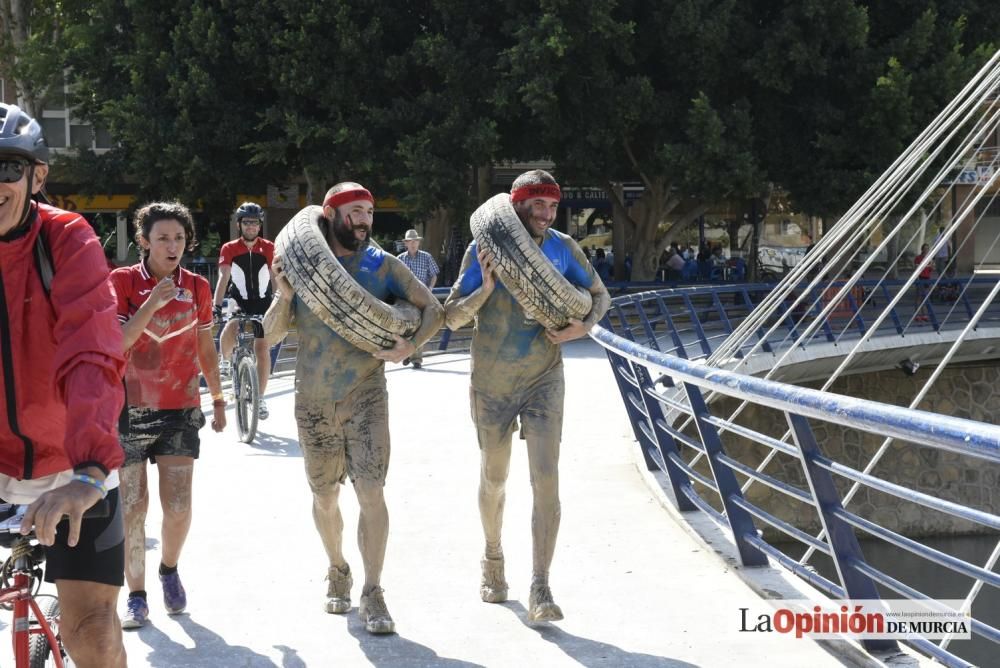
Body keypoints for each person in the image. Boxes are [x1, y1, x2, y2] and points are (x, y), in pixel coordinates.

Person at [264, 182, 444, 634]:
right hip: (314, 401)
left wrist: (409, 347)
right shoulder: (302, 269)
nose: (364, 219)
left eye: (368, 211)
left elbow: (433, 311)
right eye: (355, 211)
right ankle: (337, 567)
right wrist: (284, 294)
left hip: (366, 395)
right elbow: (269, 335)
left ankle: (374, 590)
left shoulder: (384, 265)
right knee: (325, 497)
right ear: (330, 214)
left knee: (371, 492)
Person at [443, 169, 611, 622]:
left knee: (547, 478)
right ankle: (493, 559)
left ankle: (541, 584)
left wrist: (583, 325)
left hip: (543, 377)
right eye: (539, 204)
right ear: (516, 205)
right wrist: (487, 289)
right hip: (492, 381)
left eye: (553, 206)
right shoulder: (482, 250)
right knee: (495, 478)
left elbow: (600, 296)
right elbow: (453, 317)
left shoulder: (563, 247)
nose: (547, 213)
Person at [0, 103, 127, 666]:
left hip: (74, 459)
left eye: (6, 168)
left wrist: (91, 470)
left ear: (36, 177)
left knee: (92, 632)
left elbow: (92, 353)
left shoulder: (66, 240)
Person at [110, 201, 226, 629]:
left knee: (177, 506)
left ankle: (169, 570)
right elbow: (118, 342)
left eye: (179, 238)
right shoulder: (120, 281)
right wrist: (153, 303)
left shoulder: (197, 286)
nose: (172, 245)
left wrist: (217, 398)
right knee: (132, 508)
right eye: (162, 237)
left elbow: (205, 348)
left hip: (180, 405)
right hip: (129, 409)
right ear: (144, 241)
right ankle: (137, 596)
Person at [213, 202, 275, 418]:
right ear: (239, 225)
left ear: (260, 225)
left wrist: (280, 301)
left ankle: (259, 399)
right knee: (231, 321)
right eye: (247, 222)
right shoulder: (229, 248)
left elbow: (275, 277)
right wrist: (216, 305)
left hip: (263, 302)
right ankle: (224, 360)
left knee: (262, 350)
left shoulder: (269, 247)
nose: (251, 227)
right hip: (237, 299)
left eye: (255, 223)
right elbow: (224, 277)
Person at [396, 228, 440, 369]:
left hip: (422, 296)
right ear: (406, 243)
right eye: (410, 241)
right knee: (406, 326)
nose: (413, 243)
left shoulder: (426, 257)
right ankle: (408, 354)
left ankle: (416, 358)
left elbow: (434, 274)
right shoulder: (400, 259)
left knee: (421, 325)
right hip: (405, 297)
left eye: (415, 241)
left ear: (418, 242)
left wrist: (430, 288)